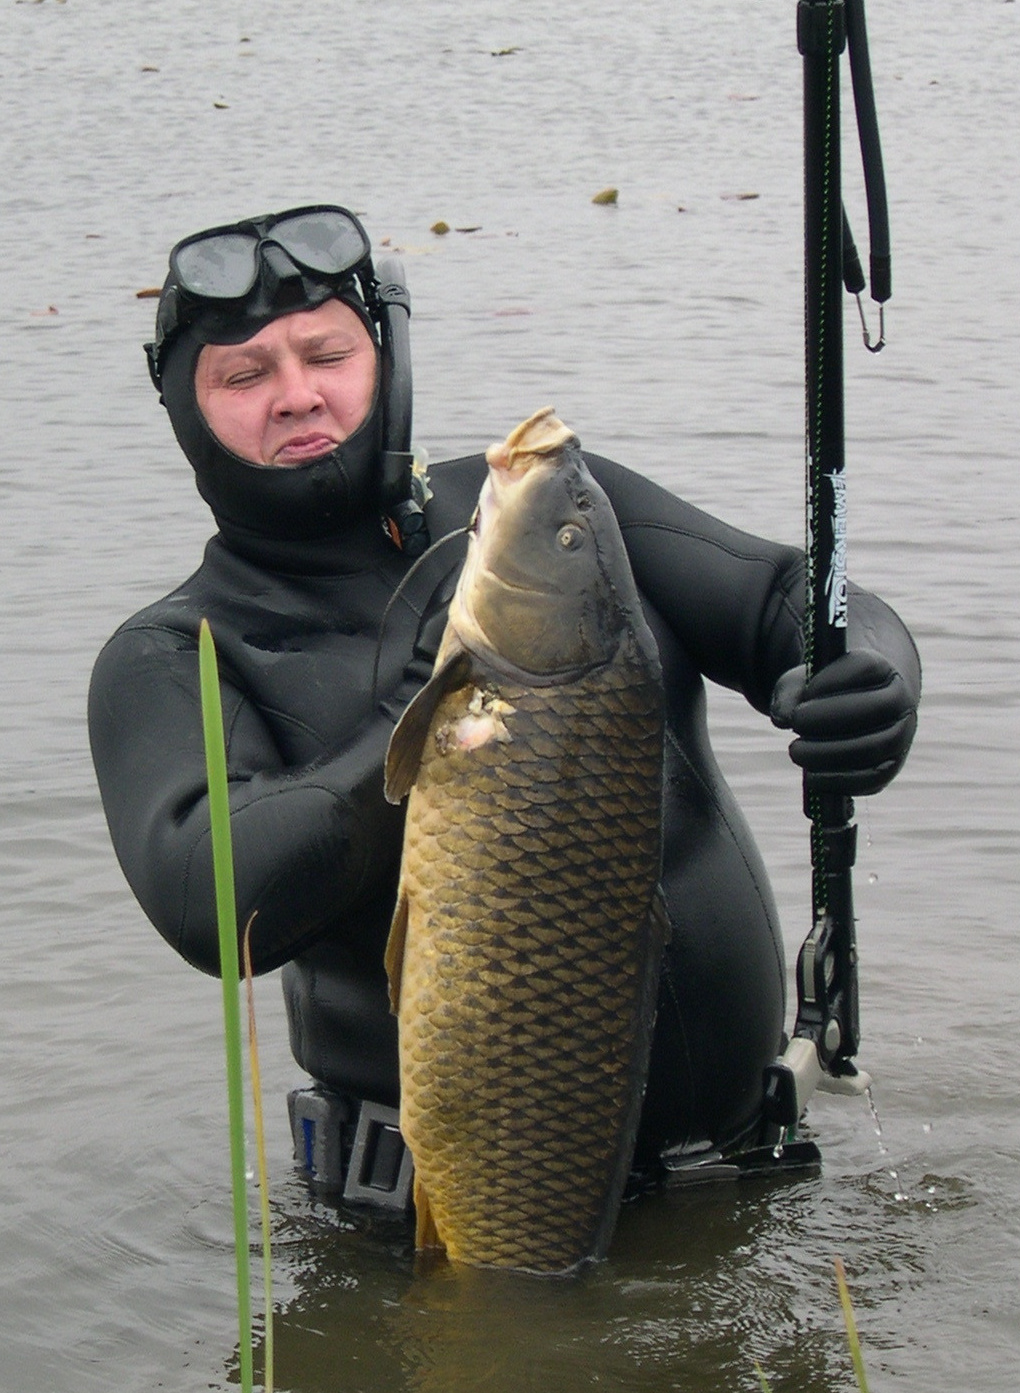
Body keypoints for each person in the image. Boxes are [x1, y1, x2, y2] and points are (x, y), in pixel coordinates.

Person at [88, 205, 920, 1201]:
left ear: (387, 354)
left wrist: (875, 678)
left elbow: (788, 597)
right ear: (185, 407)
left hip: (751, 1176)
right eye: (243, 376)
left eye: (329, 355)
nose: (298, 395)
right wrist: (434, 707)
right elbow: (212, 905)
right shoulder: (175, 652)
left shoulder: (549, 519)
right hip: (444, 1230)